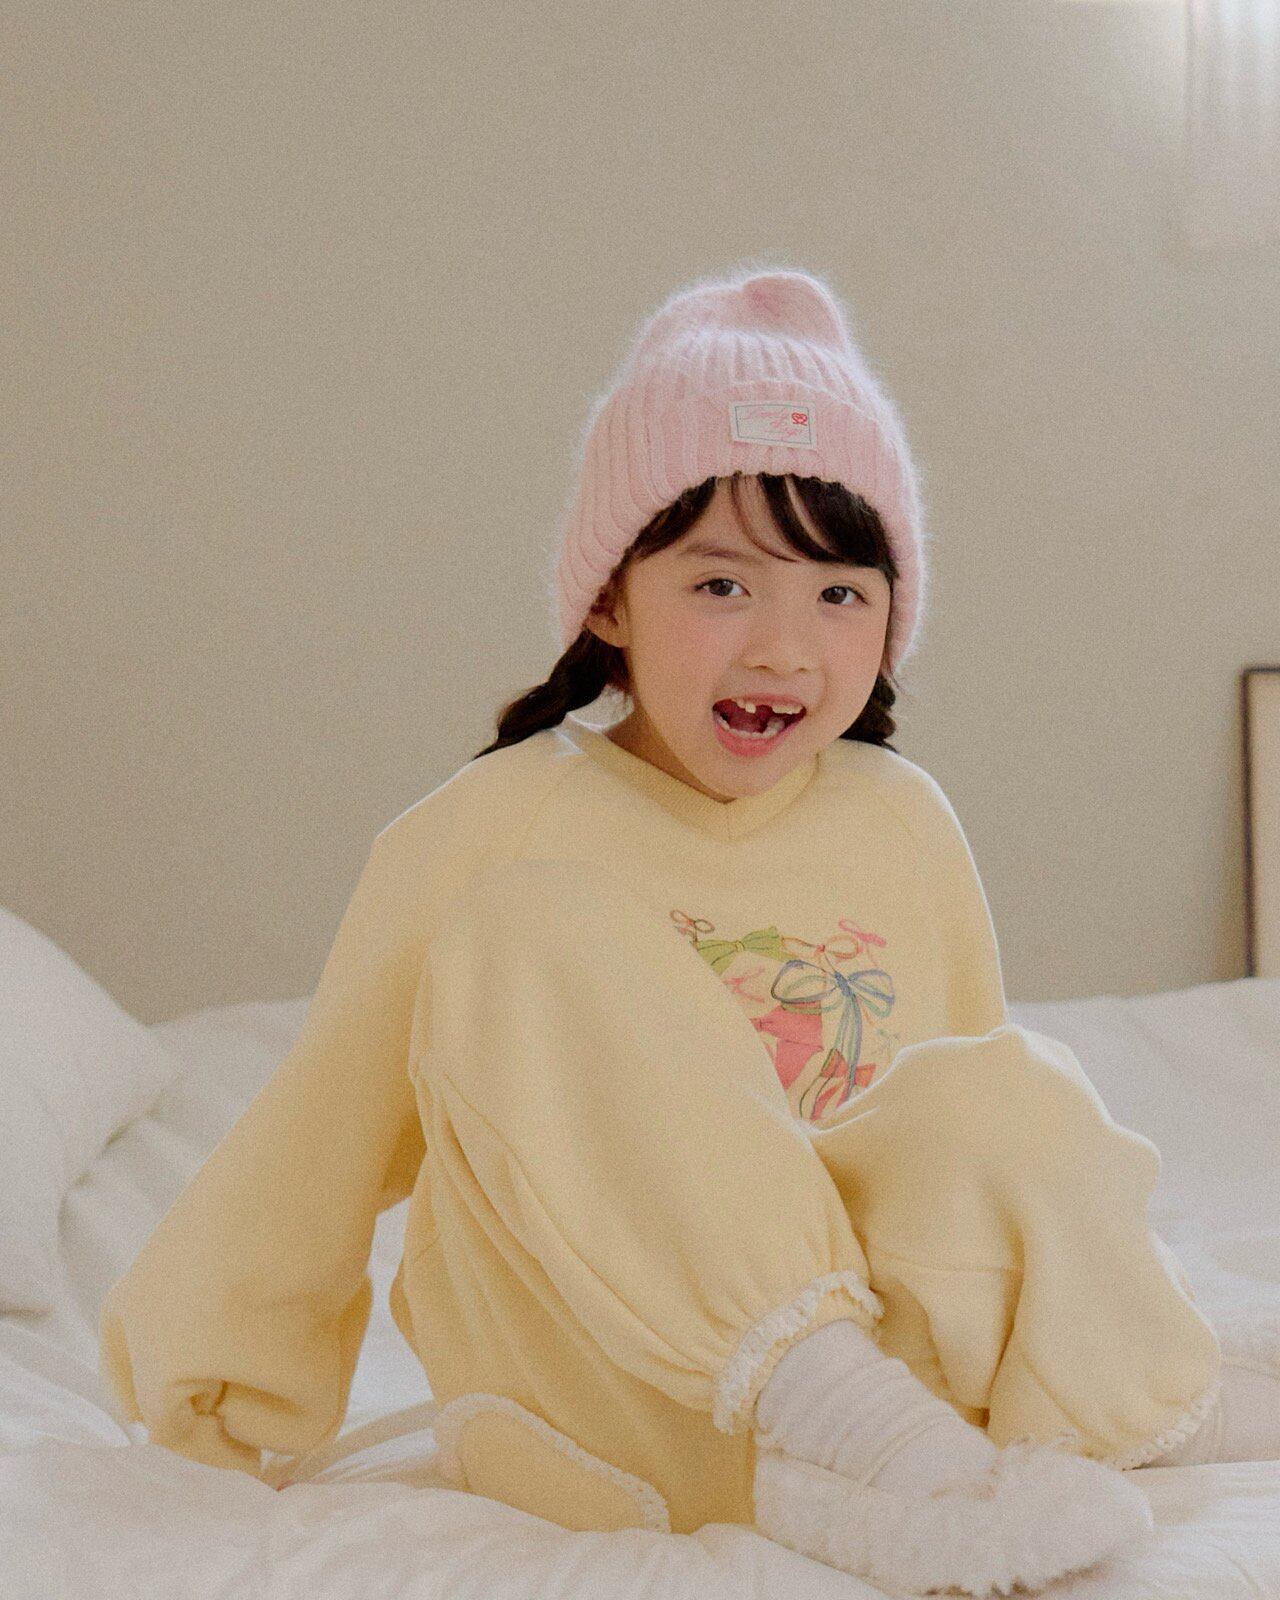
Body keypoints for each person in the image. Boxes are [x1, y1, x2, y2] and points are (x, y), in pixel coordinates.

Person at [97, 265, 1275, 1597]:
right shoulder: (496, 827)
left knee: (1003, 1085)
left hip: (897, 1399)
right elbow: (315, 1147)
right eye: (722, 586)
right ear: (610, 600)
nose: (783, 648)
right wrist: (210, 1406)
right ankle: (861, 1436)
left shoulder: (901, 819)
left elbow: (957, 1161)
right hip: (601, 1405)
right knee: (535, 928)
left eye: (839, 595)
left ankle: (1117, 1403)